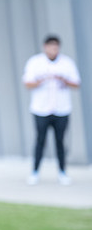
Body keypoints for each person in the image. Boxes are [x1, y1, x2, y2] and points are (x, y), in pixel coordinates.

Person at [22, 35, 81, 185]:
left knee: (60, 142)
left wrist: (63, 80)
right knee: (40, 140)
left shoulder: (67, 63)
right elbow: (27, 83)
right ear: (45, 47)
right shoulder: (35, 63)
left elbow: (76, 84)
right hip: (41, 109)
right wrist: (43, 80)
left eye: (56, 47)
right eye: (51, 47)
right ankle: (34, 172)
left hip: (61, 109)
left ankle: (62, 172)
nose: (53, 50)